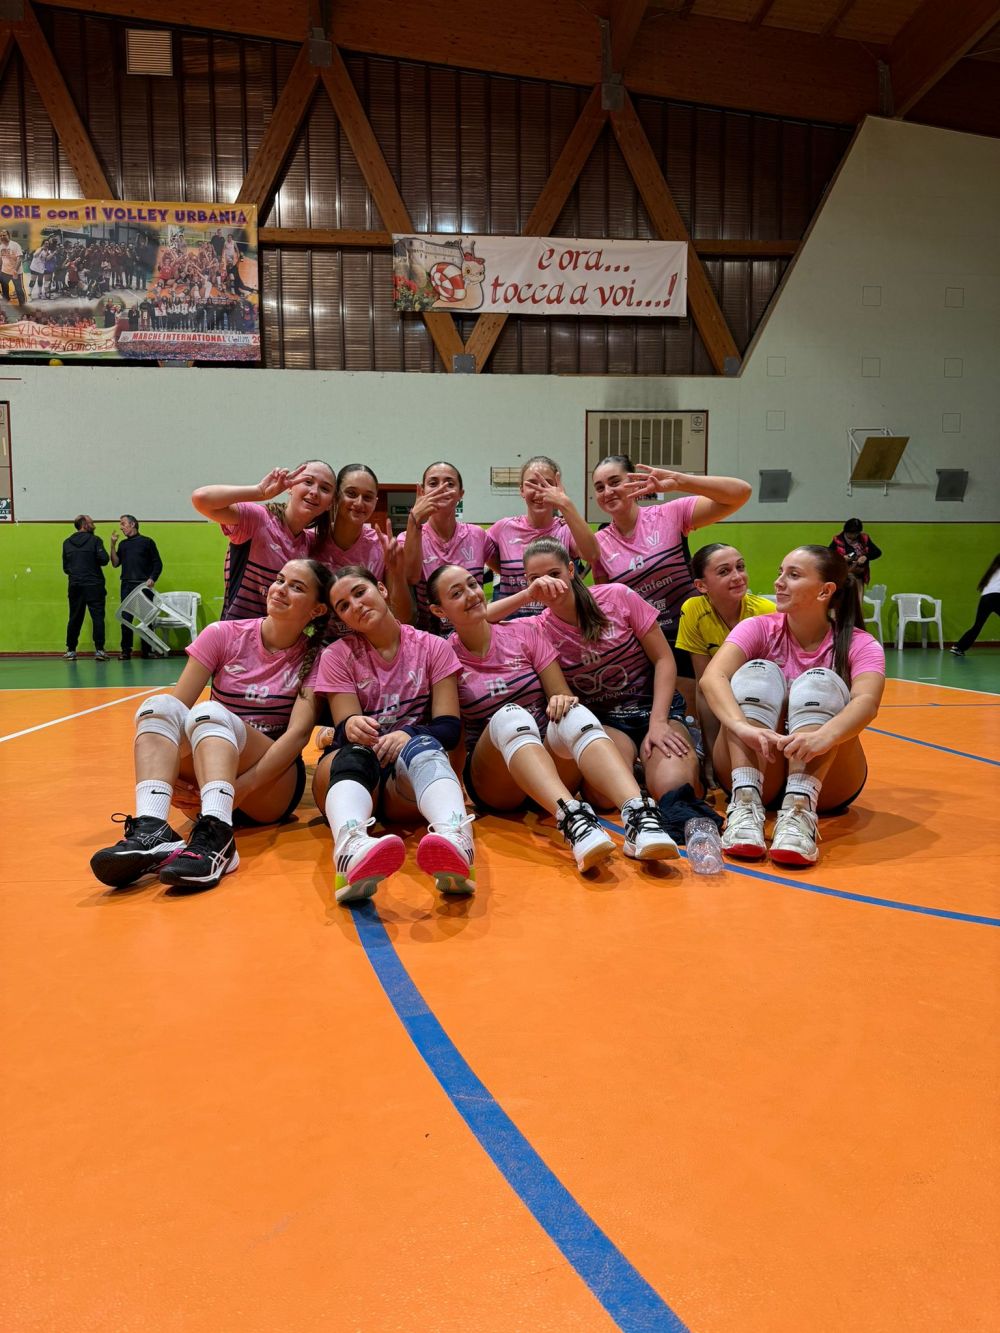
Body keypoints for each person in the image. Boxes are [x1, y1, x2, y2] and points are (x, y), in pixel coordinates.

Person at [90, 559, 333, 891]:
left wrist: (242, 787)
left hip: (269, 787)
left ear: (317, 610)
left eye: (297, 587)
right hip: (209, 787)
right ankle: (153, 827)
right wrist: (173, 780)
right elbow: (175, 716)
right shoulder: (223, 634)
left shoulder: (319, 655)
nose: (280, 590)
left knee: (210, 713)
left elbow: (298, 736)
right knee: (158, 707)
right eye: (279, 580)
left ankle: (220, 837)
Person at [428, 563, 678, 869]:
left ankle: (639, 815)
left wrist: (561, 699)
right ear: (439, 611)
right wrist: (455, 792)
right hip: (496, 782)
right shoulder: (443, 653)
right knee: (510, 716)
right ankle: (573, 819)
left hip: (549, 765)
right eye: (456, 593)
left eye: (472, 584)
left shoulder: (523, 633)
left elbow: (561, 693)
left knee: (572, 711)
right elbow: (453, 732)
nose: (471, 595)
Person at [700, 545, 885, 868]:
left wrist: (825, 736)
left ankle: (800, 811)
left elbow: (867, 702)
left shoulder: (859, 643)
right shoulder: (758, 628)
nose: (779, 582)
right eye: (780, 573)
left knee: (819, 683)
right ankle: (745, 805)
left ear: (825, 591)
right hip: (760, 762)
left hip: (826, 781)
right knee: (756, 673)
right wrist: (742, 727)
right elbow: (712, 678)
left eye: (793, 575)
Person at [516, 536, 703, 841]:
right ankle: (639, 770)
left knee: (672, 787)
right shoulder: (536, 627)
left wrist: (658, 722)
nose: (547, 585)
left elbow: (664, 659)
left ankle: (682, 755)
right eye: (535, 580)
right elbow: (484, 619)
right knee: (603, 797)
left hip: (655, 709)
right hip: (607, 722)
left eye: (554, 574)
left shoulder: (617, 596)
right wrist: (527, 595)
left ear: (572, 570)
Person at [312, 566, 474, 904]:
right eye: (343, 605)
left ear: (382, 589)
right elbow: (344, 730)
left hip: (406, 781)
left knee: (425, 744)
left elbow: (449, 727)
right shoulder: (336, 655)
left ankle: (455, 839)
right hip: (360, 778)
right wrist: (350, 726)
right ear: (341, 618)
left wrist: (409, 733)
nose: (355, 605)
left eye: (360, 592)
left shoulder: (432, 647)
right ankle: (351, 849)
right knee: (354, 751)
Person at [590, 457, 752, 711]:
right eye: (600, 487)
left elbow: (741, 493)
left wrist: (679, 481)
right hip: (649, 644)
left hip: (695, 630)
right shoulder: (598, 544)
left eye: (614, 482)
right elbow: (610, 606)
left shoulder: (669, 514)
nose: (607, 492)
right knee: (678, 716)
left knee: (717, 707)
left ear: (634, 482)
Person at [192, 461, 335, 620]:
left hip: (283, 635)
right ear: (290, 487)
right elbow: (201, 498)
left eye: (325, 488)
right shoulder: (258, 520)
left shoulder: (312, 544)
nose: (314, 492)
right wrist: (259, 491)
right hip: (238, 632)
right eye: (307, 482)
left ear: (330, 503)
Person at [675, 543, 774, 766]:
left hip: (762, 703)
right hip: (722, 701)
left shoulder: (767, 612)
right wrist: (710, 756)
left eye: (740, 567)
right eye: (724, 571)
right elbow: (704, 688)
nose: (738, 577)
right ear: (701, 585)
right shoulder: (693, 611)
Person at [484, 455, 598, 618]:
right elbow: (484, 554)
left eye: (547, 484)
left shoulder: (566, 529)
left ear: (558, 489)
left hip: (556, 626)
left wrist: (565, 503)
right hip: (512, 626)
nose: (539, 490)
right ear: (522, 490)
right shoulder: (503, 528)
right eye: (532, 483)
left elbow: (592, 555)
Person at [314, 464, 411, 632]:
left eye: (367, 497)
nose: (359, 503)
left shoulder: (383, 546)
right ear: (335, 496)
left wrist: (398, 573)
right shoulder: (311, 539)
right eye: (351, 494)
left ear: (375, 502)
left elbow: (402, 618)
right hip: (319, 641)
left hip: (368, 641)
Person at [401, 461, 488, 633]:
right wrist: (414, 521)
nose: (441, 489)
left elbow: (505, 567)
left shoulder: (478, 535)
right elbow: (410, 578)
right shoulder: (406, 538)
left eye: (449, 483)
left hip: (475, 633)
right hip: (430, 637)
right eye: (433, 483)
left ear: (460, 494)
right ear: (422, 492)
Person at [110, 514, 164, 660]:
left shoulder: (147, 542)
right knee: (126, 619)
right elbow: (115, 563)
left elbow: (158, 563)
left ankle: (147, 651)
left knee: (147, 619)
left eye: (123, 524)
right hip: (127, 586)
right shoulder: (123, 545)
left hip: (143, 586)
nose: (121, 527)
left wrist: (152, 578)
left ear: (132, 524)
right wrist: (113, 545)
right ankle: (126, 651)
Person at [62, 515, 110, 661]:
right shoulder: (95, 540)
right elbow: (104, 560)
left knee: (74, 617)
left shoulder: (67, 542)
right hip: (94, 585)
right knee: (98, 617)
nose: (94, 524)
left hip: (75, 585)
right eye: (91, 522)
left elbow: (65, 568)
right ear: (84, 525)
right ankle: (100, 651)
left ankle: (71, 650)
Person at [951, 554, 1000, 656]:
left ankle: (959, 647)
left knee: (977, 625)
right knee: (978, 625)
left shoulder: (992, 571)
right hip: (996, 597)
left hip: (985, 598)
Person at [830, 517, 881, 586]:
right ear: (846, 531)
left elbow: (877, 552)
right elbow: (829, 556)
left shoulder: (864, 538)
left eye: (856, 533)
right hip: (843, 574)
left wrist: (866, 557)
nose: (854, 536)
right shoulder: (837, 540)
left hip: (859, 575)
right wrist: (842, 558)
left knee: (858, 592)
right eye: (851, 533)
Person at [0, 230, 26, 306]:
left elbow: (19, 258)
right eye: (1, 236)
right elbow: (1, 259)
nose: (2, 237)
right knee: (4, 287)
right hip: (5, 271)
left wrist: (15, 270)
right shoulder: (1, 247)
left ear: (8, 236)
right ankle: (6, 299)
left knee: (19, 289)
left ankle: (22, 304)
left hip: (16, 272)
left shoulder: (15, 245)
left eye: (4, 235)